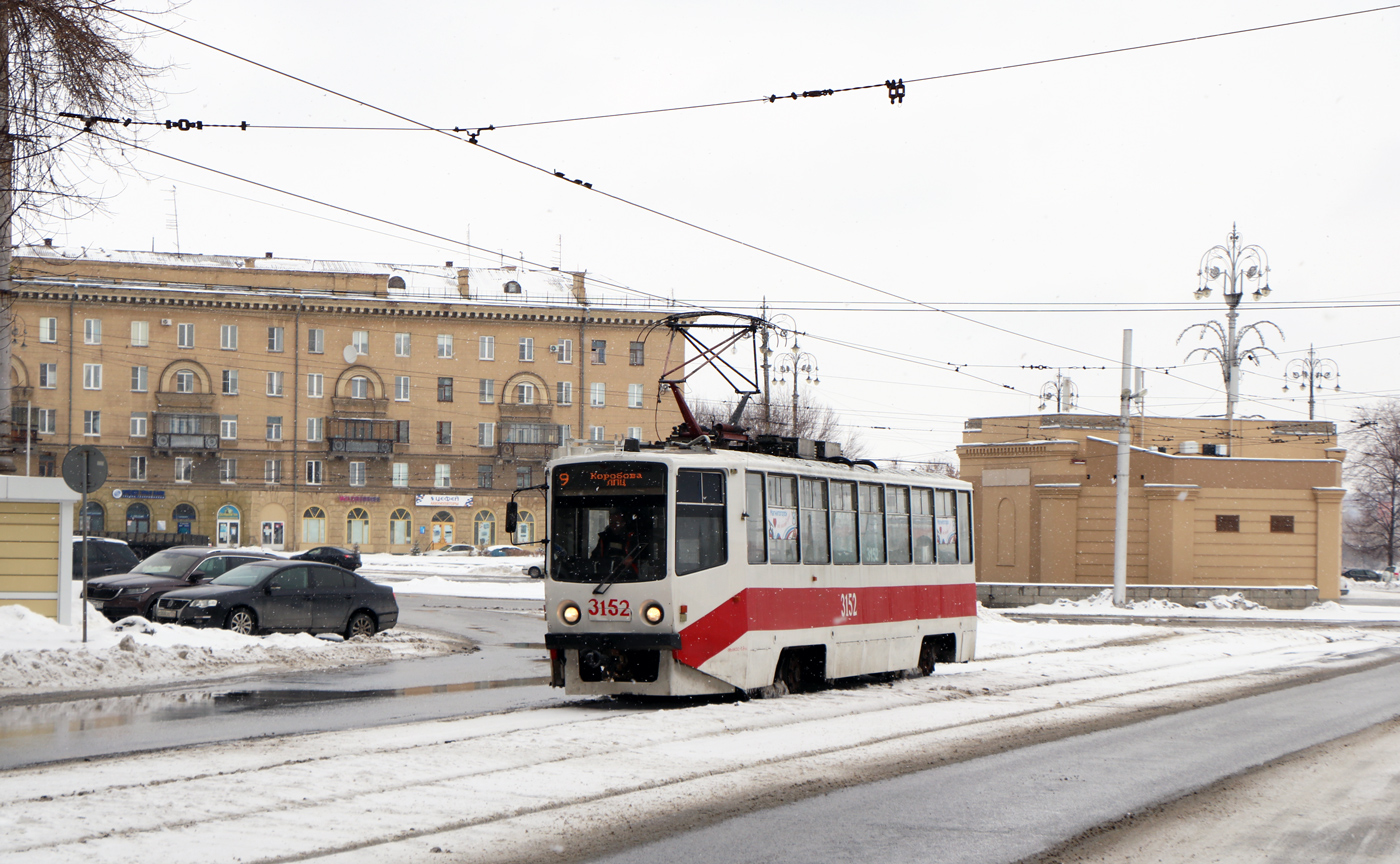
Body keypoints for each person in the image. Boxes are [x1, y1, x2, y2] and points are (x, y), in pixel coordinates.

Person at [591, 508, 642, 574]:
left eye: (617, 523)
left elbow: (639, 555)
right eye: (611, 522)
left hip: (627, 573)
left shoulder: (631, 537)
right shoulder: (604, 538)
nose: (614, 526)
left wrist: (631, 559)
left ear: (623, 523)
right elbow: (596, 555)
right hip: (606, 574)